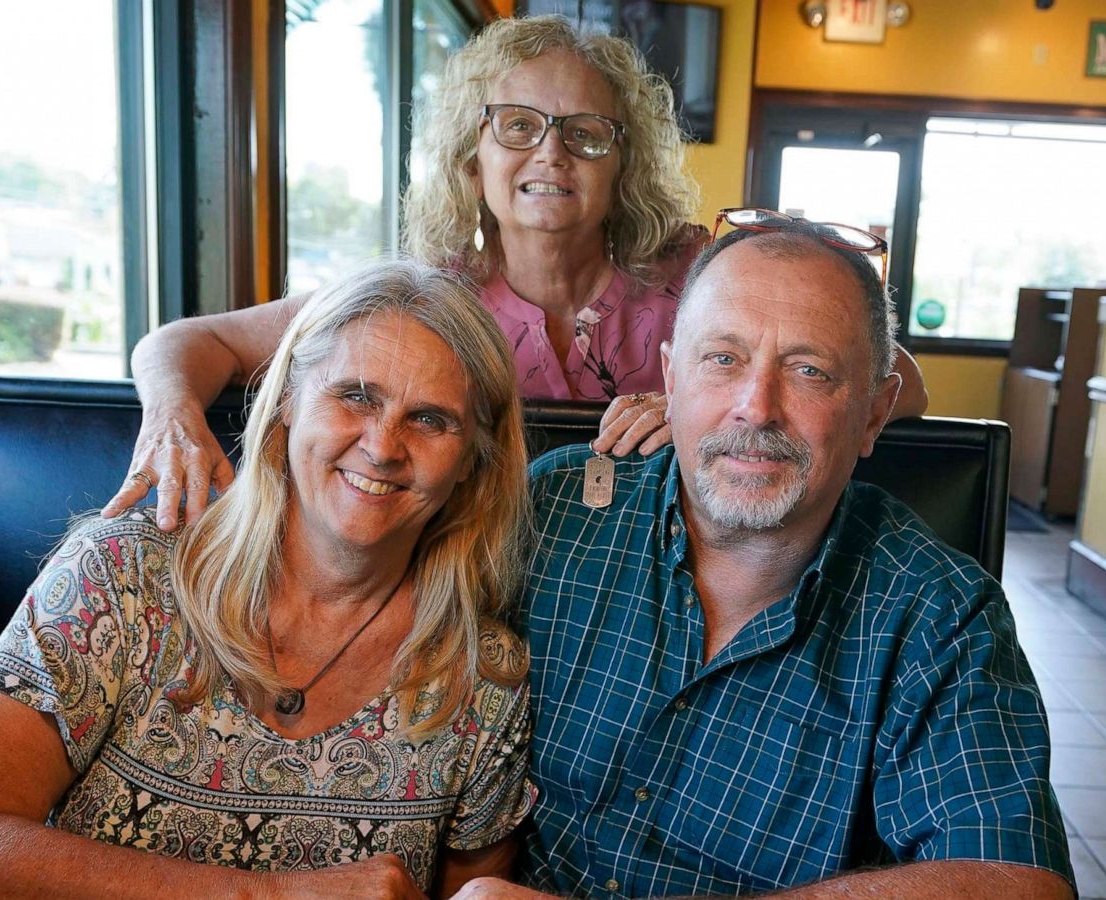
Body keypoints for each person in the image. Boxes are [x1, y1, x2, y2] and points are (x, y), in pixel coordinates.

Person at [0, 261, 539, 898]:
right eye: (355, 395)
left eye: (430, 419)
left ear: (473, 460)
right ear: (287, 403)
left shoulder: (485, 678)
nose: (384, 446)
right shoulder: (121, 581)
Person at [454, 213, 1073, 897]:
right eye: (723, 359)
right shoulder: (559, 510)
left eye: (809, 371)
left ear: (873, 412)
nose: (756, 407)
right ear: (670, 377)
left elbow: (1018, 883)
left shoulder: (939, 614)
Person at [118, 15, 926, 530]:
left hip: (659, 595)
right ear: (472, 159)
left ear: (625, 162)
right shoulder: (421, 294)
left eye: (584, 133)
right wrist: (170, 416)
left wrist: (695, 403)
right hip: (468, 583)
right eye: (518, 126)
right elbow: (189, 341)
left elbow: (900, 381)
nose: (550, 151)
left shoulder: (703, 271)